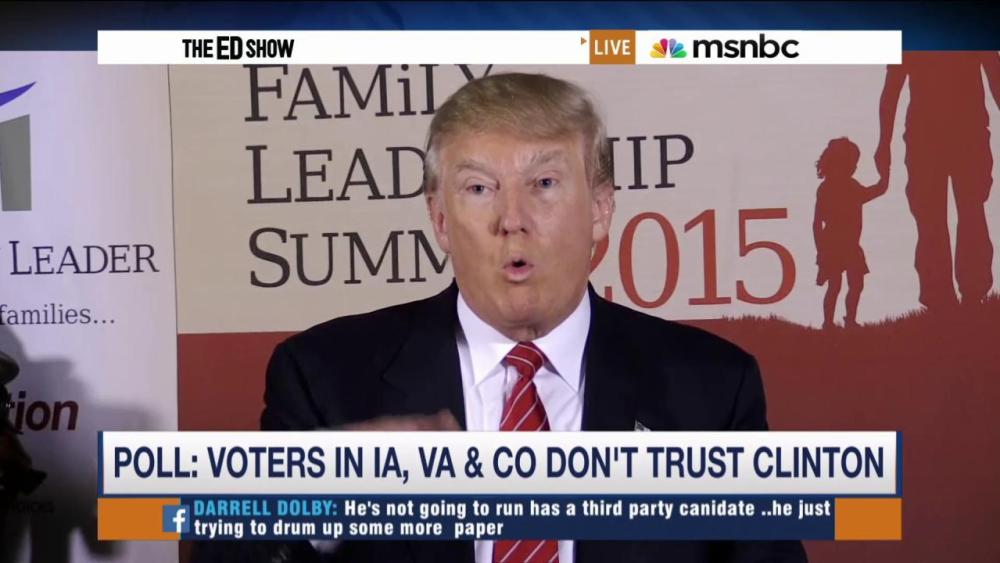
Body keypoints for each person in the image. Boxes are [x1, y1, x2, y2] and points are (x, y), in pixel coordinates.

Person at [193, 73, 806, 563]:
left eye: (544, 183)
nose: (512, 219)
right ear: (440, 220)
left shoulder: (711, 390)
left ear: (600, 209)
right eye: (479, 188)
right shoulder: (324, 376)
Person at [875, 52, 1000, 310]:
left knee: (955, 214)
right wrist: (883, 142)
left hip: (953, 134)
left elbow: (892, 87)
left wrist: (885, 142)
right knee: (949, 214)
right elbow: (892, 87)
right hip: (948, 135)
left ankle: (957, 293)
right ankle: (952, 294)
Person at [813, 138, 888, 329]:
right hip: (833, 245)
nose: (853, 167)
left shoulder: (851, 186)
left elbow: (876, 191)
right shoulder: (827, 189)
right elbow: (817, 223)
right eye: (850, 163)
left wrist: (884, 176)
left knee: (855, 284)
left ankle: (849, 320)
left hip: (850, 246)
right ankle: (828, 322)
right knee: (835, 286)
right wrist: (821, 251)